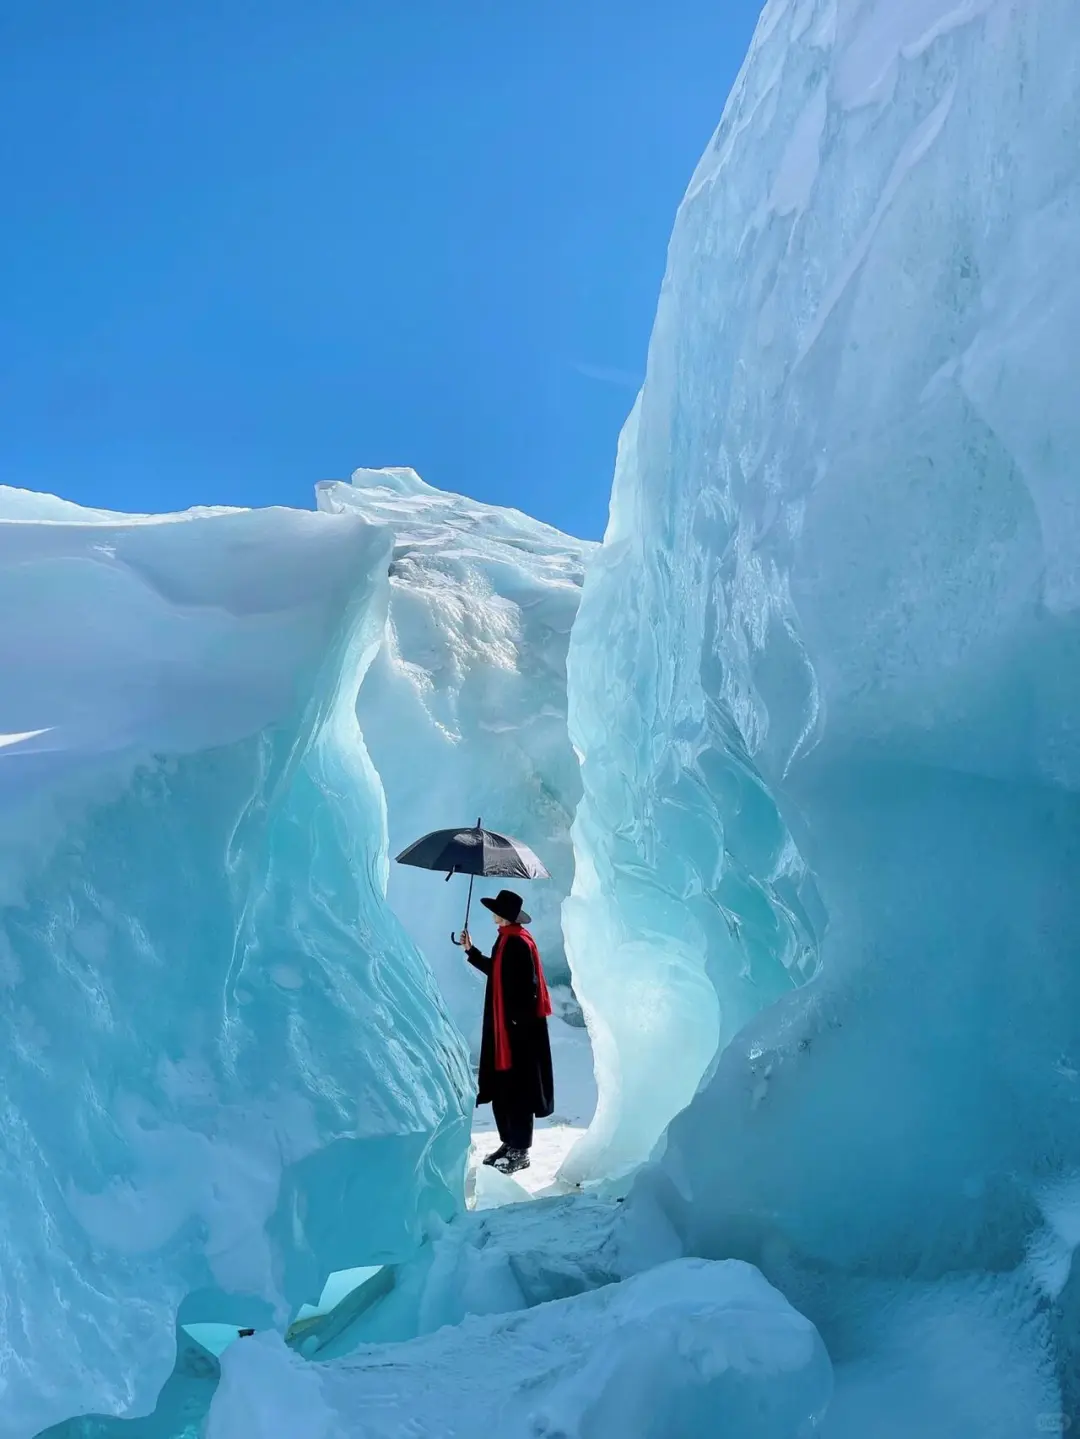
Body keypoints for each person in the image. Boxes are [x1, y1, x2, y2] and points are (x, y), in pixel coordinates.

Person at [455, 888, 554, 1174]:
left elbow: (530, 988)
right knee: (502, 1088)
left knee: (518, 1089)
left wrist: (515, 1023)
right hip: (504, 1030)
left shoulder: (519, 943)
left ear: (505, 916)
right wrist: (471, 951)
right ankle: (508, 1142)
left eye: (496, 912)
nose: (493, 916)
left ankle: (520, 1150)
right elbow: (498, 974)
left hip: (517, 1033)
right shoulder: (505, 941)